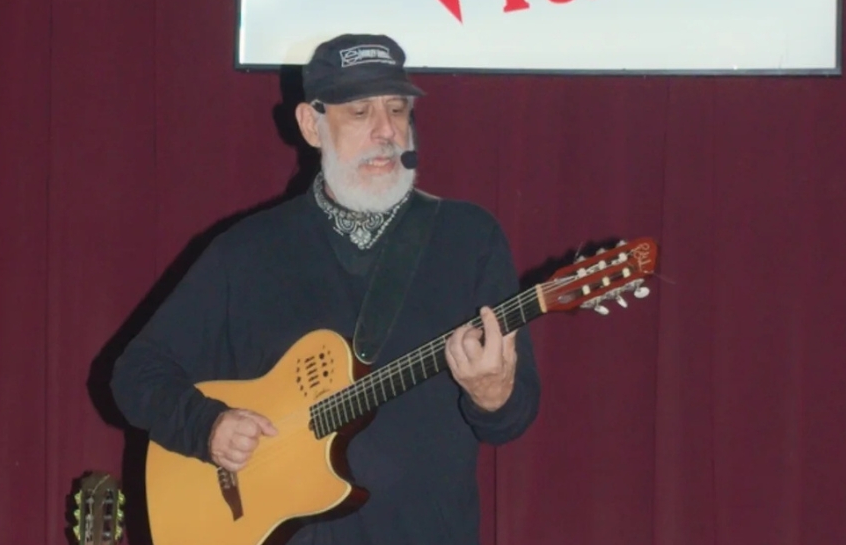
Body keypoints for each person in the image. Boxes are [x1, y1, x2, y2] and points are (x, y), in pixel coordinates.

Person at [111, 33, 540, 545]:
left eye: (398, 109)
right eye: (359, 113)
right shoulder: (247, 251)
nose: (386, 131)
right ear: (311, 125)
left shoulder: (468, 239)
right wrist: (207, 426)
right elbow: (136, 374)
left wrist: (493, 395)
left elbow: (510, 421)